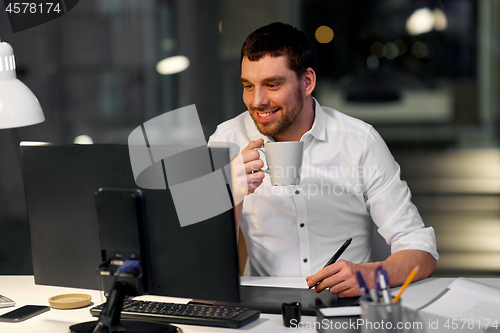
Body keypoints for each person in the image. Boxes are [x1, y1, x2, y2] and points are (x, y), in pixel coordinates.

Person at [208, 22, 438, 297]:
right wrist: (229, 192)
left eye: (272, 85)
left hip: (347, 302)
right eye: (248, 86)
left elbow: (420, 248)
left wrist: (372, 275)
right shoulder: (227, 139)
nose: (257, 100)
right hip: (262, 305)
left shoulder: (359, 141)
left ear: (307, 82)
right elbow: (202, 262)